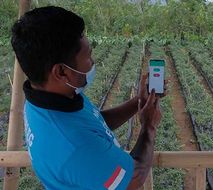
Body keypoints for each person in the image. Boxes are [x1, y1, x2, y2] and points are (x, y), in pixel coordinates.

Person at [11, 6, 163, 190]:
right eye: (88, 56)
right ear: (61, 71)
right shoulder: (75, 146)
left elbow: (95, 123)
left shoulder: (47, 101)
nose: (92, 63)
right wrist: (149, 126)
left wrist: (137, 101)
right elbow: (133, 179)